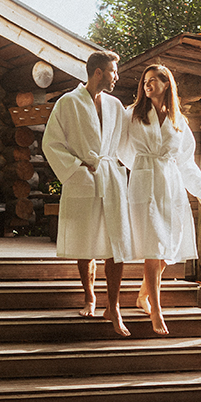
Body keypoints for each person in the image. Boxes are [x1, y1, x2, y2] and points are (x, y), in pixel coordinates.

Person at [121, 64, 201, 336]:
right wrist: (140, 166)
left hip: (171, 186)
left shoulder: (178, 121)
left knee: (168, 250)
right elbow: (120, 148)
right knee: (153, 248)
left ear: (167, 84)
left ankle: (143, 295)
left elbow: (186, 162)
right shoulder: (132, 114)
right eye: (145, 81)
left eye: (154, 80)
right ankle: (156, 310)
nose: (147, 84)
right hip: (144, 184)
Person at [42, 50, 133, 337]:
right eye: (113, 71)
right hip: (84, 177)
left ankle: (113, 307)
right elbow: (51, 143)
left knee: (117, 244)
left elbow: (127, 142)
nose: (117, 77)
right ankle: (90, 296)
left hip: (111, 178)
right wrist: (77, 168)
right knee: (86, 241)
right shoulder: (68, 102)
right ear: (98, 72)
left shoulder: (116, 106)